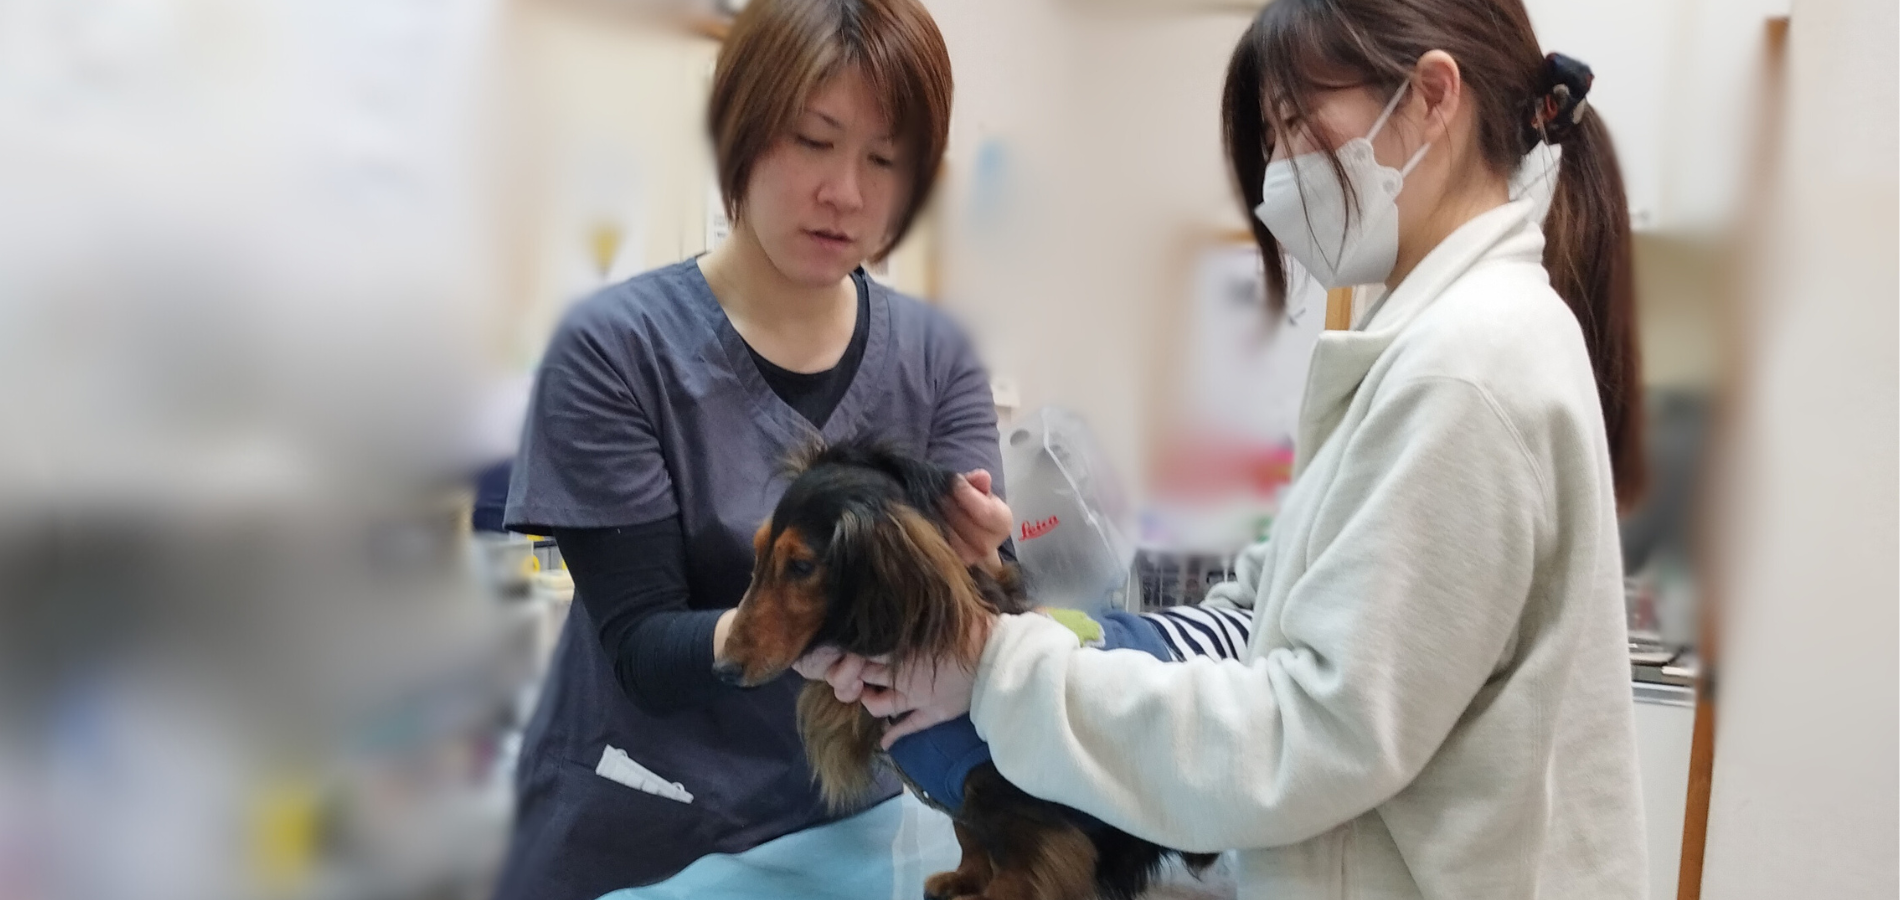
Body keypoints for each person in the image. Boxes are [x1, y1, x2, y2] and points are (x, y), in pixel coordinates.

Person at [810, 1, 1652, 897]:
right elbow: (1255, 624)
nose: (1277, 173)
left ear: (1433, 96)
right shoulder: (1427, 344)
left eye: (1296, 123)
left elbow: (1304, 737)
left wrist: (994, 664)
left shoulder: (1467, 367)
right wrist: (1032, 634)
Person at [490, 2, 1006, 897]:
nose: (846, 192)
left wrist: (986, 576)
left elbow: (973, 619)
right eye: (813, 140)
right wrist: (777, 631)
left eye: (885, 159)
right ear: (740, 132)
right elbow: (644, 648)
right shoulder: (615, 350)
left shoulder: (938, 357)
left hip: (847, 827)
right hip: (644, 834)